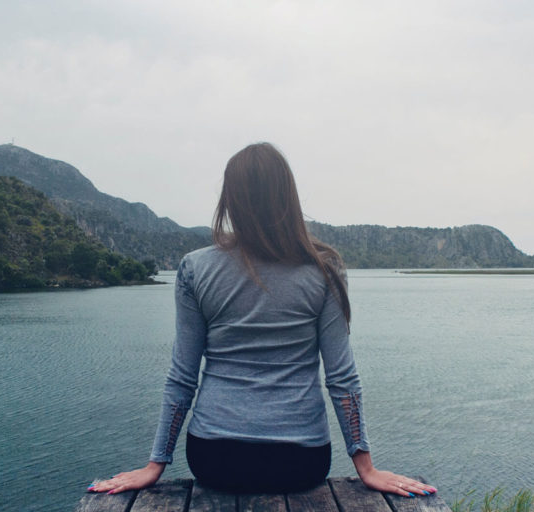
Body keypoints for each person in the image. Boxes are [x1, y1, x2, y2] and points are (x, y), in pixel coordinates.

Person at [89, 143, 436, 497]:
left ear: (230, 200)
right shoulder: (324, 270)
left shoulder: (196, 268)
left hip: (213, 458)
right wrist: (366, 466)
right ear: (287, 196)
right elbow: (342, 377)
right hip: (302, 461)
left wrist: (155, 463)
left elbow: (182, 376)